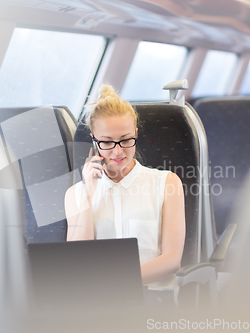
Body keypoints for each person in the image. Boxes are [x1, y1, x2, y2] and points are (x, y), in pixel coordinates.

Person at [64, 84, 185, 305]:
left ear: (136, 134)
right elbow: (75, 264)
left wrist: (120, 282)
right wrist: (88, 196)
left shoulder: (167, 183)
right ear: (94, 140)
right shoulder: (76, 194)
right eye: (107, 142)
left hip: (152, 298)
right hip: (97, 303)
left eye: (126, 139)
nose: (118, 151)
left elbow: (171, 260)